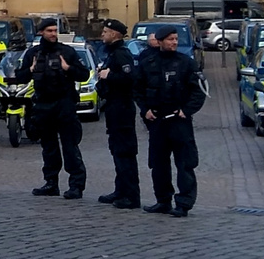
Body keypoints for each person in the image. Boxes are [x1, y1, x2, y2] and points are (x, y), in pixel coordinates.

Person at [136, 23, 205, 216]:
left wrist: (187, 110)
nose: (174, 42)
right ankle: (163, 200)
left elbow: (198, 91)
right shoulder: (148, 64)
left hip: (179, 120)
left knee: (185, 164)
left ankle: (184, 203)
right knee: (158, 164)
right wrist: (145, 110)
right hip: (157, 121)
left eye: (176, 39)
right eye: (170, 39)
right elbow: (138, 89)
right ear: (159, 42)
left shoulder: (186, 63)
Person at [17, 18, 90, 199]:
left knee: (70, 146)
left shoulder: (67, 51)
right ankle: (51, 183)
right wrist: (31, 69)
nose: (53, 34)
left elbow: (84, 74)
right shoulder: (33, 53)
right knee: (48, 147)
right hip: (43, 105)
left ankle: (76, 185)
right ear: (41, 32)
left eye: (54, 31)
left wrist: (68, 68)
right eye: (49, 30)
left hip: (64, 104)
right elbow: (20, 77)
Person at [95, 19, 141, 209]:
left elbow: (130, 79)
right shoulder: (113, 53)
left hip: (122, 109)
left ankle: (130, 195)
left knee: (124, 152)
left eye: (105, 31)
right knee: (117, 151)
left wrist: (109, 76)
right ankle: (121, 190)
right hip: (114, 108)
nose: (102, 35)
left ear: (114, 34)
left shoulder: (122, 54)